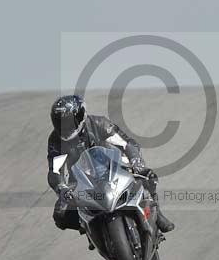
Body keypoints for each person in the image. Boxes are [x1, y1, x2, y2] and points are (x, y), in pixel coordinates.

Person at [47, 94, 175, 233]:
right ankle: (90, 228)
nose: (65, 126)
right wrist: (61, 188)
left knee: (148, 176)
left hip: (112, 167)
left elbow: (126, 143)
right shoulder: (56, 140)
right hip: (81, 180)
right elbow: (55, 169)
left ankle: (157, 214)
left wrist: (135, 161)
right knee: (61, 215)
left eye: (68, 121)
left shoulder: (99, 123)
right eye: (60, 122)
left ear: (81, 115)